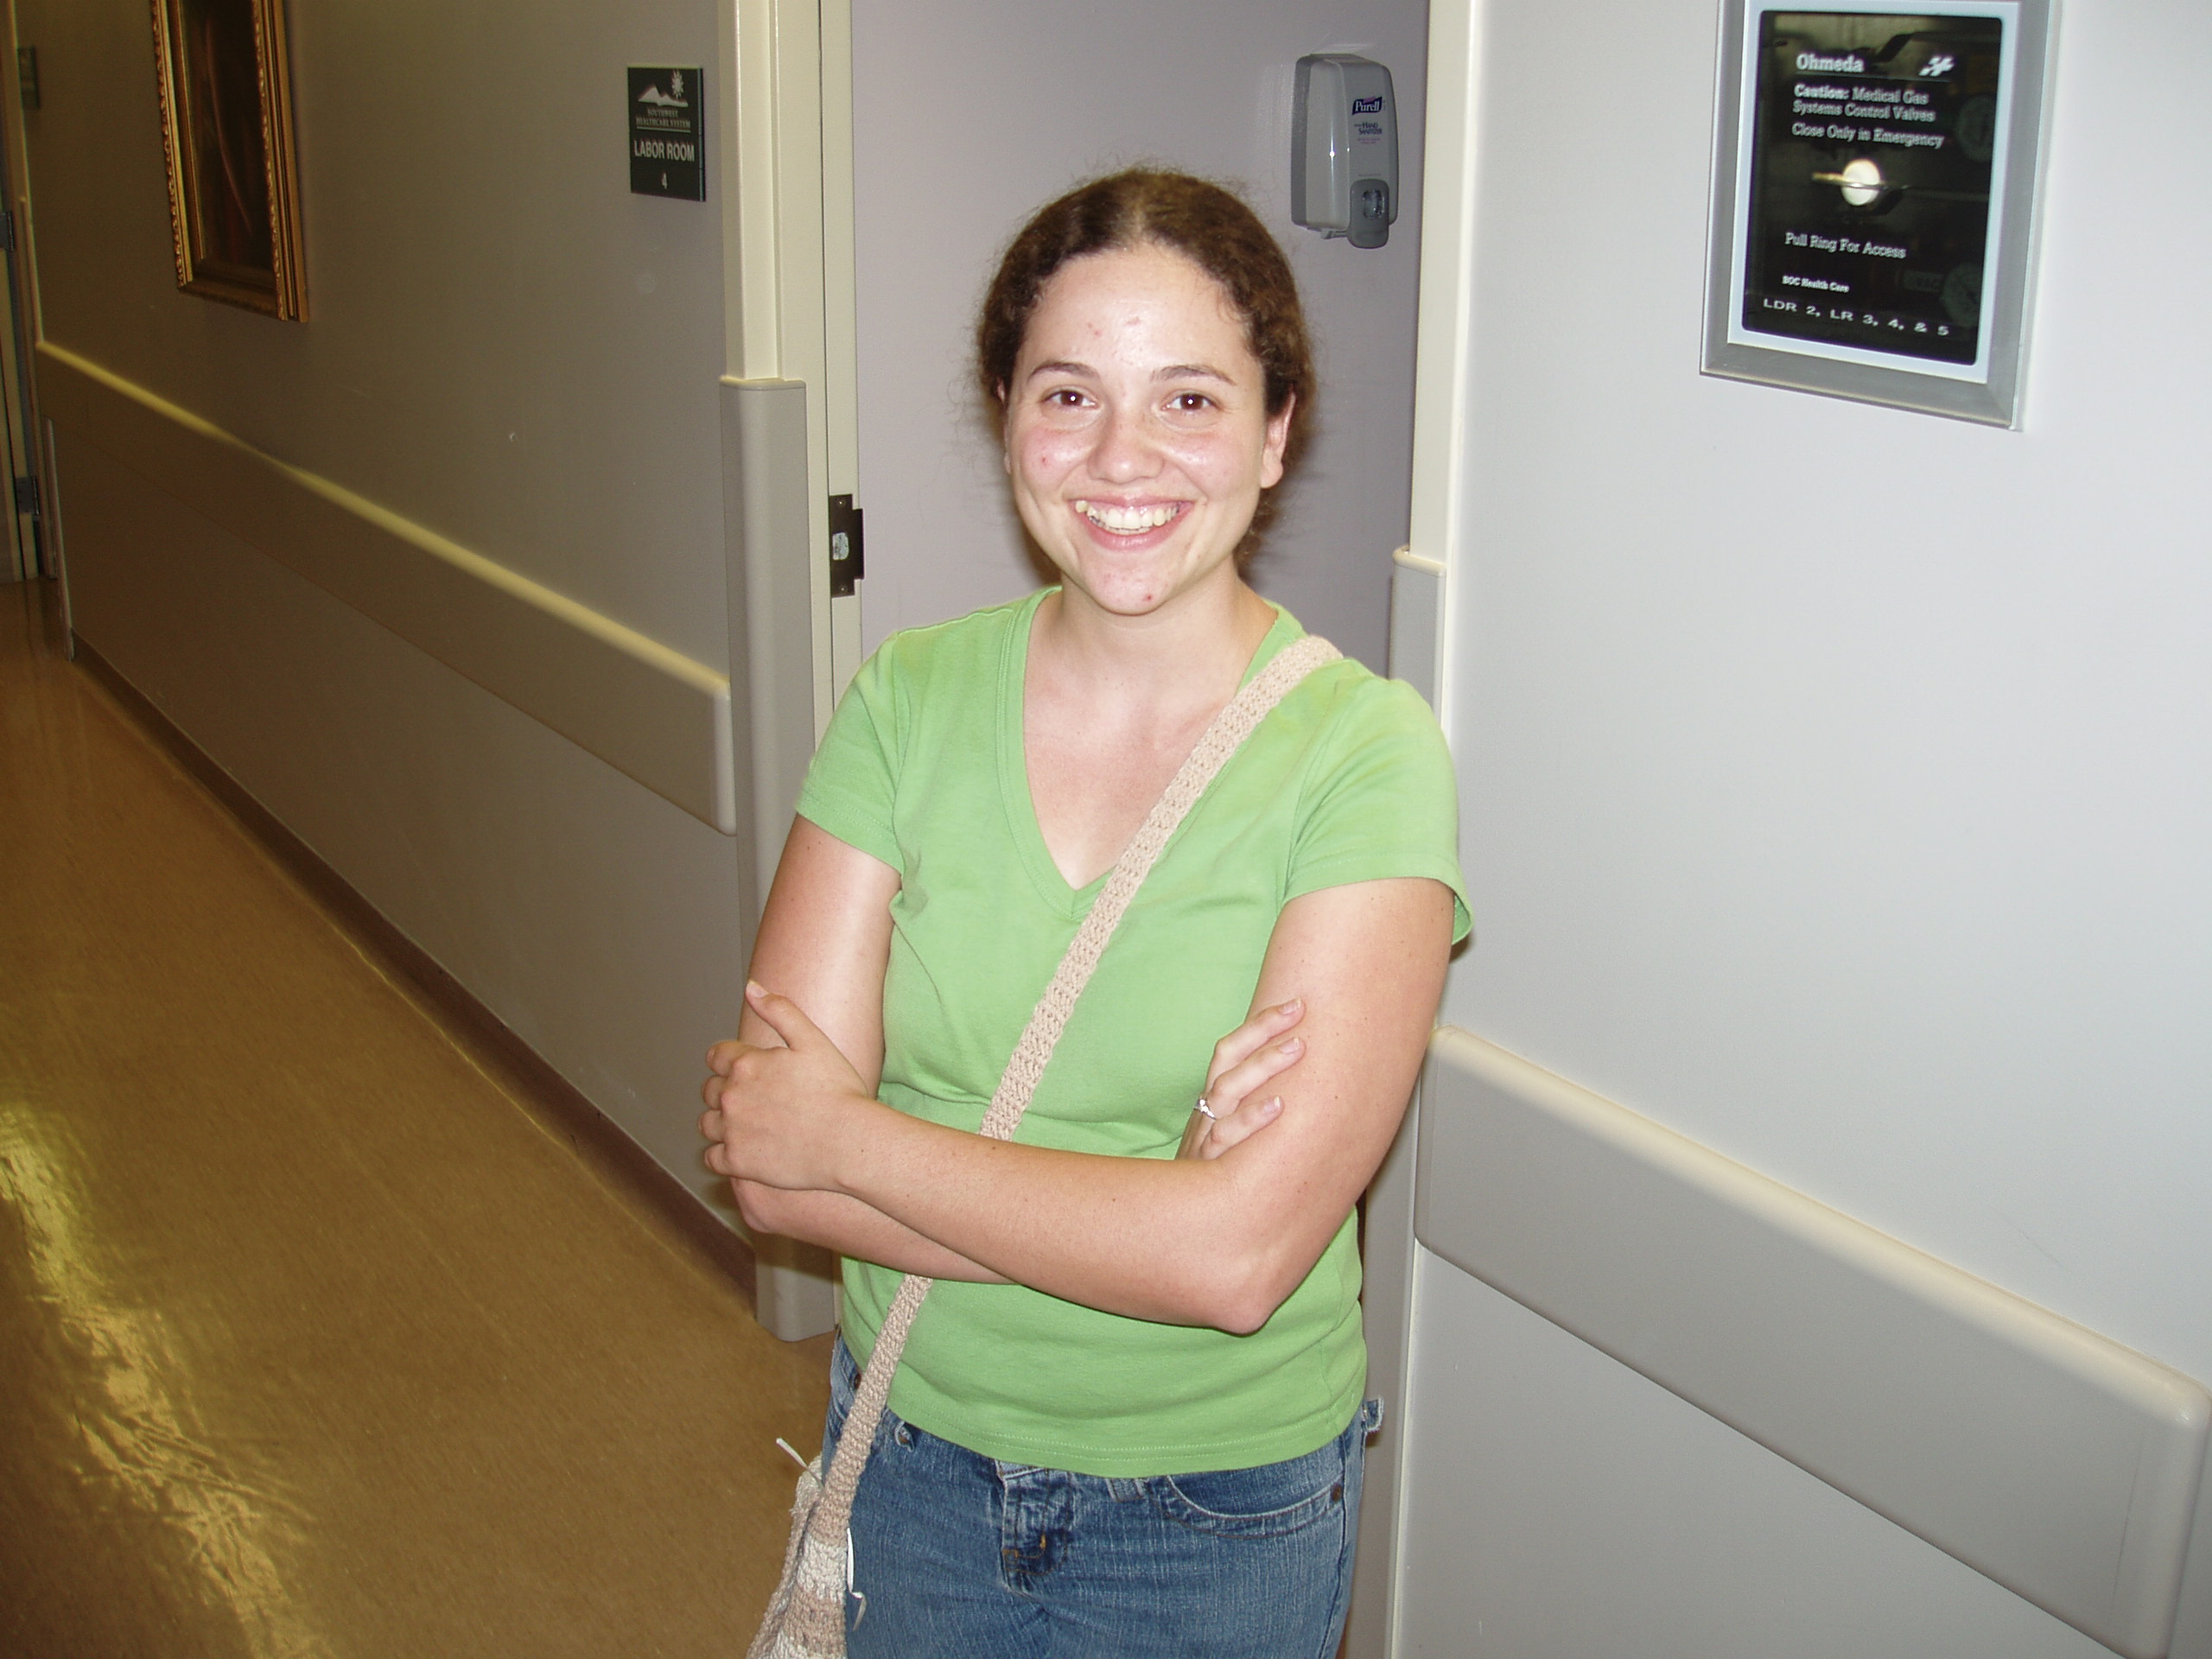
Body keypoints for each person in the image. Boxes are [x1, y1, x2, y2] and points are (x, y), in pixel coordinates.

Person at [700, 168, 1468, 1658]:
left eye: (1190, 399)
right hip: (910, 1455)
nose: (1124, 457)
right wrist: (1148, 1212)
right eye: (1069, 395)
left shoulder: (1365, 756)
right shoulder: (909, 700)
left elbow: (1236, 1266)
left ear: (1276, 431)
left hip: (1214, 1511)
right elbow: (771, 1176)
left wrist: (854, 1139)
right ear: (1009, 417)